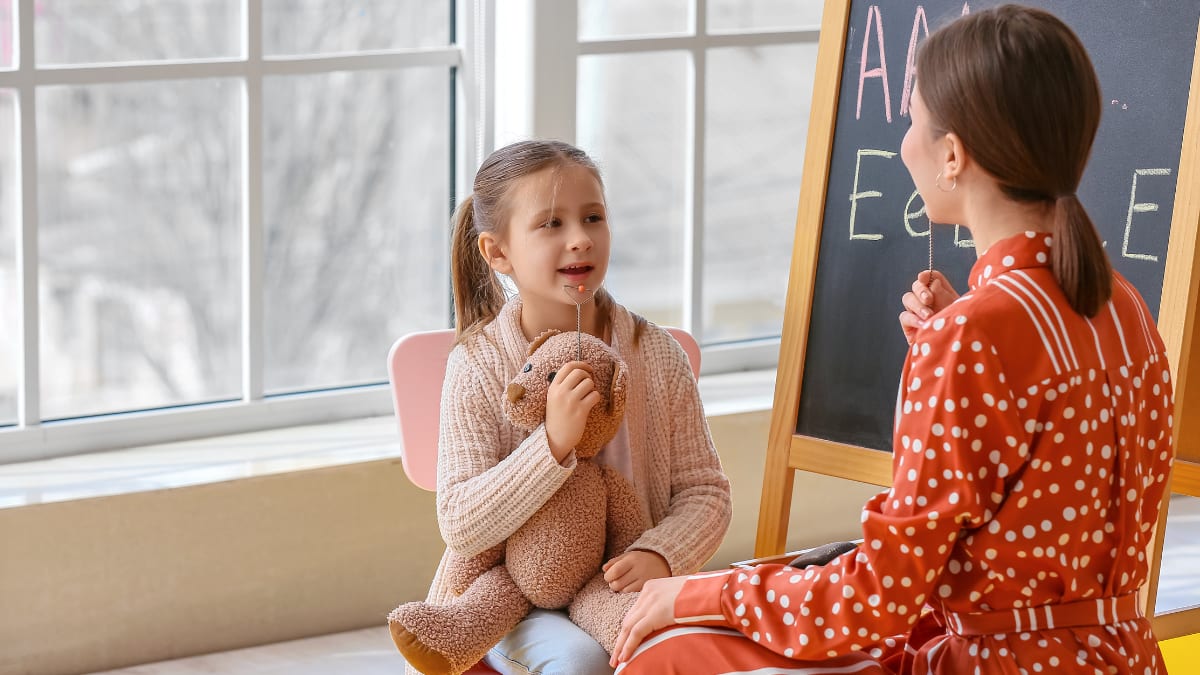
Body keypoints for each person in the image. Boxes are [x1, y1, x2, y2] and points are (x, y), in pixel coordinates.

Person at [610, 6, 1174, 674]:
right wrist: (956, 335)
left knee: (667, 652)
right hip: (1124, 655)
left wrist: (699, 592)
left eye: (912, 122)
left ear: (953, 155)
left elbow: (876, 597)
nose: (905, 144)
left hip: (997, 663)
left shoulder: (974, 335)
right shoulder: (1123, 303)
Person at [408, 139, 731, 675]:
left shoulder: (655, 353)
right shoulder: (479, 364)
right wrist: (552, 444)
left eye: (593, 218)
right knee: (584, 664)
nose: (580, 238)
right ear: (498, 253)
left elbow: (705, 492)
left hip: (616, 588)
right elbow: (461, 522)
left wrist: (661, 552)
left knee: (689, 649)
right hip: (506, 599)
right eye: (551, 224)